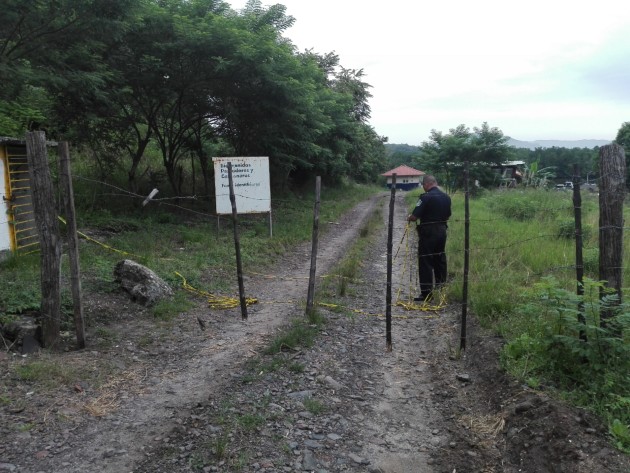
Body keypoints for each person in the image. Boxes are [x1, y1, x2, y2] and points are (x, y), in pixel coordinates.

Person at [406, 175, 451, 302]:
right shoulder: (446, 197)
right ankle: (441, 289)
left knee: (425, 261)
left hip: (428, 231)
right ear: (435, 183)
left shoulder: (425, 197)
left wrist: (409, 217)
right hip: (442, 230)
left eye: (423, 186)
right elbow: (448, 215)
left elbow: (415, 217)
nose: (424, 188)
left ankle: (426, 293)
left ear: (426, 184)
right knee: (440, 258)